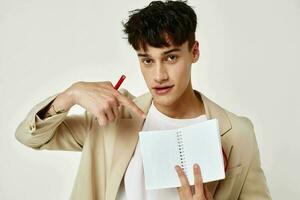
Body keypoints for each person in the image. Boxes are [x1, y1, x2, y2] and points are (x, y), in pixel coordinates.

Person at [15, 0, 272, 199]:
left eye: (171, 57)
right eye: (147, 60)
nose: (159, 75)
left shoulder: (237, 133)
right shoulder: (113, 116)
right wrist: (70, 95)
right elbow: (29, 137)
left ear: (194, 52)